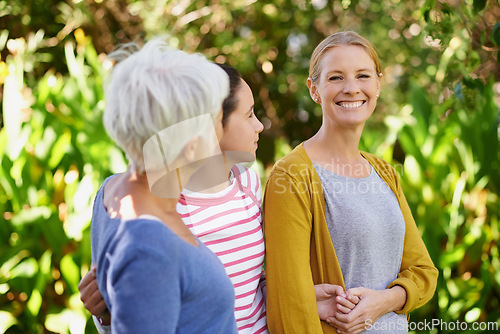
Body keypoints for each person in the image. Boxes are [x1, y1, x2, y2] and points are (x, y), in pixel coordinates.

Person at [80, 63, 360, 333]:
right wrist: (104, 316)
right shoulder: (158, 208)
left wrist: (303, 299)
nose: (260, 125)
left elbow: (252, 284)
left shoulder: (247, 183)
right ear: (211, 125)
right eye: (249, 114)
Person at [263, 31, 439, 334]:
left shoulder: (384, 171)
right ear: (314, 89)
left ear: (378, 84)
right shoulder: (291, 176)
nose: (351, 88)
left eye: (362, 76)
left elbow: (423, 272)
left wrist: (384, 301)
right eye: (335, 78)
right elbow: (288, 304)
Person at [88, 38, 238, 333]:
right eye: (219, 121)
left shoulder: (111, 191)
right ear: (192, 147)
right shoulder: (150, 245)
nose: (221, 133)